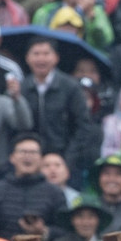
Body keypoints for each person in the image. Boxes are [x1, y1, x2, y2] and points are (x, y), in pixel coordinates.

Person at [20, 38, 99, 181]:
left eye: (46, 54)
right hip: (33, 161)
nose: (41, 59)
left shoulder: (70, 87)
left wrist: (68, 160)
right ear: (27, 58)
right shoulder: (23, 88)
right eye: (36, 54)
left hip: (66, 159)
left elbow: (83, 125)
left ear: (56, 57)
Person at [0, 132, 66, 241]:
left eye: (33, 152)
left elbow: (65, 231)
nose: (28, 156)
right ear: (12, 157)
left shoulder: (55, 193)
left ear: (41, 158)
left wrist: (43, 231)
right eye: (23, 152)